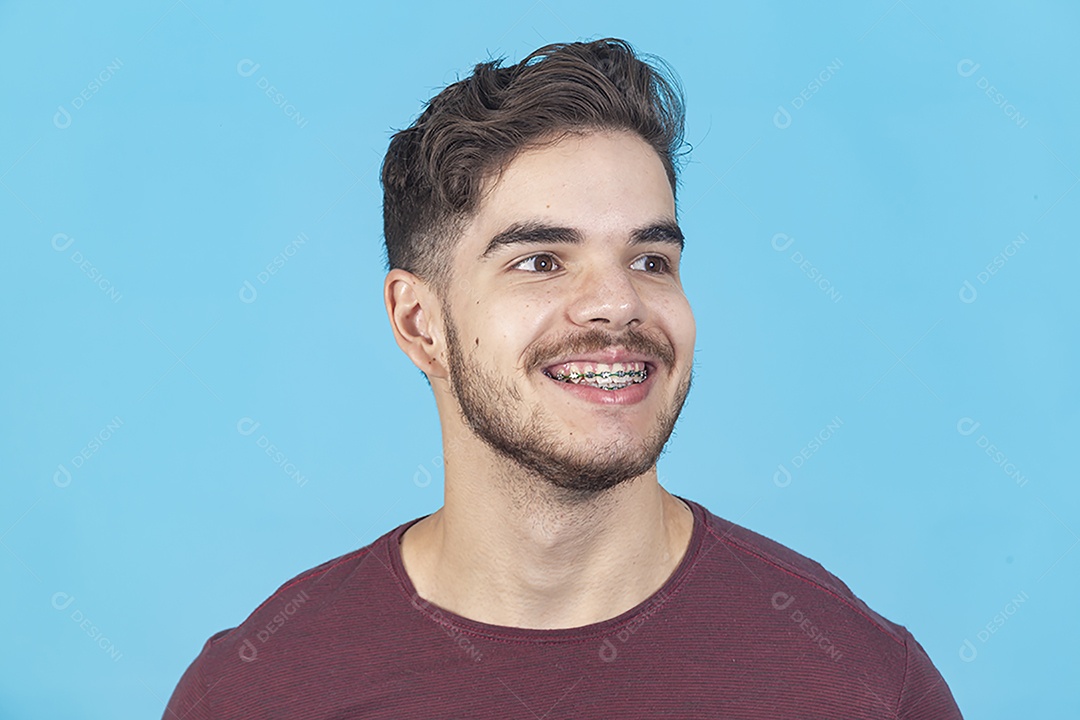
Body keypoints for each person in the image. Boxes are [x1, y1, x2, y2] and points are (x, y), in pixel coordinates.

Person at [163, 38, 963, 718]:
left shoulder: (855, 680)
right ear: (419, 322)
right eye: (541, 260)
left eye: (650, 260)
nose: (617, 303)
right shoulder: (260, 691)